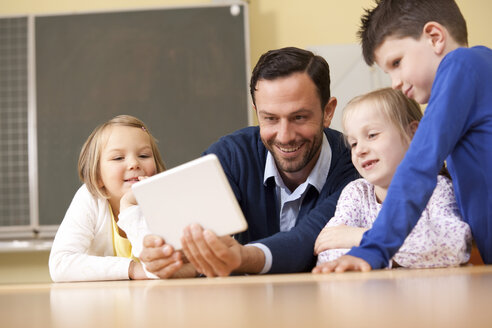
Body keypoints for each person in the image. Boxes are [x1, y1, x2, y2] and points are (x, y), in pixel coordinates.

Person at [137, 47, 359, 278]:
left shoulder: (356, 162)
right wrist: (179, 261)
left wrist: (240, 258)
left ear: (328, 111)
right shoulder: (231, 155)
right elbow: (194, 231)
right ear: (257, 112)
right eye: (270, 118)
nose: (284, 135)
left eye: (299, 117)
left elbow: (306, 240)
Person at [321, 0, 492, 273]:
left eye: (397, 63)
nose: (395, 82)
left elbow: (418, 165)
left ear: (434, 37)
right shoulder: (478, 71)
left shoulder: (462, 66)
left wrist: (373, 249)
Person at [312, 88, 471, 273]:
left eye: (372, 135)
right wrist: (408, 255)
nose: (359, 150)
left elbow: (453, 246)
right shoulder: (356, 193)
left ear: (413, 134)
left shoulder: (437, 188)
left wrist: (363, 239)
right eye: (353, 143)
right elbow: (328, 250)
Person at [49, 115, 167, 282]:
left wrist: (130, 206)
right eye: (118, 158)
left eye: (144, 156)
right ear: (97, 176)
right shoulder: (90, 198)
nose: (134, 163)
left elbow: (157, 268)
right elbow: (60, 264)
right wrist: (131, 269)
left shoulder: (163, 200)